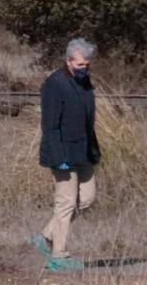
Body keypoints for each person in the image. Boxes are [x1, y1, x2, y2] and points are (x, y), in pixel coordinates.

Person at [31, 38, 100, 272]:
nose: (85, 68)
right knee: (66, 202)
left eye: (87, 64)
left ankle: (46, 235)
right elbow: (50, 125)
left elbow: (87, 120)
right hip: (61, 152)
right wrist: (58, 156)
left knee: (87, 198)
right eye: (81, 64)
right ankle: (58, 256)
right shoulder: (54, 84)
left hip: (84, 150)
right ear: (68, 61)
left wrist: (93, 149)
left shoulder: (85, 82)